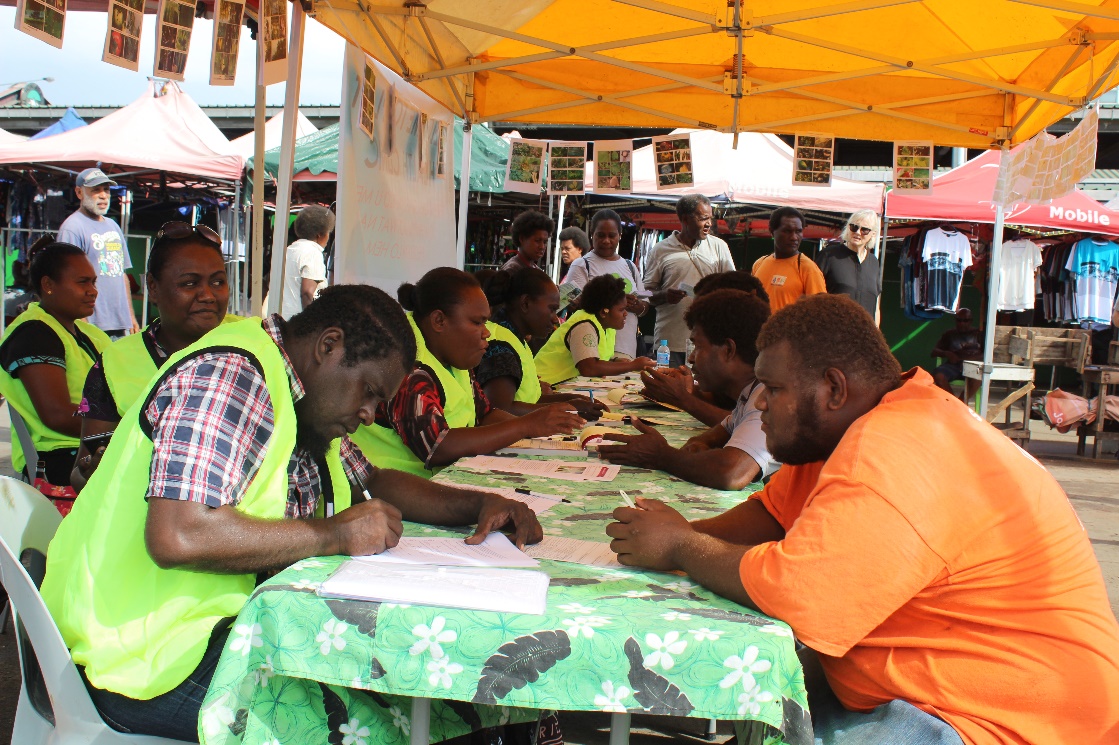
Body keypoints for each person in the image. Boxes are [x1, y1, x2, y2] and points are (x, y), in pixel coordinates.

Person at [607, 294, 1119, 744]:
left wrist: (681, 547)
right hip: (928, 694)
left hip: (994, 722)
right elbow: (770, 514)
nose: (759, 403)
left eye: (774, 389)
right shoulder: (854, 427)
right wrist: (673, 534)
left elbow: (804, 598)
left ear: (833, 388)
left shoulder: (896, 443)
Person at [41, 285, 543, 742]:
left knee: (452, 701)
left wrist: (477, 504)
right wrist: (332, 534)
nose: (370, 414)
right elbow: (178, 535)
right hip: (144, 655)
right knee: (386, 727)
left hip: (224, 631)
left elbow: (371, 478)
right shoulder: (230, 378)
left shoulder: (304, 396)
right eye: (369, 392)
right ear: (329, 346)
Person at [351, 268, 585, 478]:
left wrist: (541, 435)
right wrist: (525, 426)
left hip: (441, 481)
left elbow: (484, 414)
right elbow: (437, 446)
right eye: (477, 322)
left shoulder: (452, 359)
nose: (487, 333)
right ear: (439, 321)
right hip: (393, 497)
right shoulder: (407, 368)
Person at [72, 222, 233, 489]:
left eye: (218, 282)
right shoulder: (115, 363)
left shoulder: (256, 341)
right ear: (153, 287)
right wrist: (94, 471)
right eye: (190, 283)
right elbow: (79, 473)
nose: (207, 295)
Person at [599, 289, 776, 489]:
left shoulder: (765, 395)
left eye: (698, 347)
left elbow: (731, 473)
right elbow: (715, 433)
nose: (691, 358)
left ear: (728, 350)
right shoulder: (749, 392)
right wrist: (699, 445)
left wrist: (662, 456)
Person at [0, 242, 112, 485]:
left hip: (94, 447)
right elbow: (57, 415)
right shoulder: (33, 333)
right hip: (60, 457)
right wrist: (122, 427)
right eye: (82, 282)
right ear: (48, 285)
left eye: (93, 282)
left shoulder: (89, 333)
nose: (92, 291)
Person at [641, 270, 767, 426]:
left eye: (698, 346)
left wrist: (683, 398)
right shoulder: (744, 385)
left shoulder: (766, 387)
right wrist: (688, 391)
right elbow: (731, 421)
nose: (691, 357)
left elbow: (743, 426)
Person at [476, 268, 600, 417]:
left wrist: (570, 400)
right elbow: (501, 410)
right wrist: (568, 408)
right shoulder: (501, 346)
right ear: (526, 304)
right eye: (552, 309)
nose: (555, 319)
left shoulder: (515, 339)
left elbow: (529, 400)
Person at [643, 194, 736, 365]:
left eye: (710, 218)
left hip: (709, 342)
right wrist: (664, 295)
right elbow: (645, 292)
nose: (709, 224)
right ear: (685, 219)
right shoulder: (660, 249)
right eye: (703, 219)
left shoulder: (719, 247)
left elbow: (733, 289)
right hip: (669, 343)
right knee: (669, 389)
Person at [56, 167, 139, 337]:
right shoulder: (73, 227)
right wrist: (82, 324)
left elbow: (122, 275)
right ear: (79, 193)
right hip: (92, 326)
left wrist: (130, 316)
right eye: (96, 190)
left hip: (120, 324)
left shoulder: (113, 226)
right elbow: (67, 280)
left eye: (106, 190)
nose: (103, 195)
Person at [534, 275, 656, 384]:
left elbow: (595, 357)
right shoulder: (584, 325)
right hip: (546, 385)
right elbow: (589, 368)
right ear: (604, 312)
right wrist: (632, 365)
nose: (625, 314)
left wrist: (615, 360)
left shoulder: (607, 326)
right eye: (621, 310)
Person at [563, 209, 649, 359]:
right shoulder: (582, 265)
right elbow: (576, 304)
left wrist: (637, 306)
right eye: (601, 235)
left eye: (612, 235)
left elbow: (645, 306)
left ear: (620, 236)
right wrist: (618, 302)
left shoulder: (630, 266)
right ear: (592, 235)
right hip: (592, 350)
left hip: (627, 348)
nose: (606, 241)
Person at [752, 206, 827, 312]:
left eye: (798, 231)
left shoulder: (808, 268)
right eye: (787, 231)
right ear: (772, 231)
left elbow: (819, 312)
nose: (794, 237)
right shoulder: (759, 264)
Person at [816, 210, 882, 323]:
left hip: (864, 335)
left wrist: (876, 335)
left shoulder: (874, 262)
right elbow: (813, 298)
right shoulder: (828, 256)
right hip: (833, 334)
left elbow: (876, 307)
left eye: (864, 230)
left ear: (873, 234)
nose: (857, 232)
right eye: (854, 227)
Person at [281, 205, 335, 319]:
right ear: (320, 234)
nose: (328, 237)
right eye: (328, 232)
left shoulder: (290, 249)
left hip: (282, 319)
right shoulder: (313, 253)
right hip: (297, 323)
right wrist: (311, 323)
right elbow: (307, 293)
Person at [931, 307, 983, 401]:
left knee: (979, 378)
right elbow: (934, 352)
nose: (962, 323)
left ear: (971, 321)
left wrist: (971, 359)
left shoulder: (978, 334)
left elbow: (987, 355)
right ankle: (953, 403)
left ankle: (960, 404)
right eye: (959, 320)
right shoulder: (950, 334)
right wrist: (947, 353)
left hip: (972, 366)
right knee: (939, 376)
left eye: (965, 320)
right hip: (953, 366)